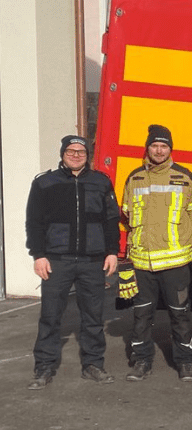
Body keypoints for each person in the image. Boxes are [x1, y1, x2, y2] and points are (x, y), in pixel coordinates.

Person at [25, 135, 120, 389]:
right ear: (62, 153)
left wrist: (112, 251)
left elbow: (111, 219)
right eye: (71, 150)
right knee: (50, 316)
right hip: (57, 260)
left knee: (93, 316)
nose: (76, 155)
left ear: (88, 155)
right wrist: (38, 255)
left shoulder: (101, 182)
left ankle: (93, 365)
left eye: (81, 151)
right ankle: (44, 368)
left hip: (92, 261)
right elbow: (34, 222)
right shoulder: (45, 183)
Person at [122, 124, 192, 382]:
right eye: (155, 146)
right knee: (141, 315)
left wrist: (178, 239)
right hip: (141, 262)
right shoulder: (134, 178)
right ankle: (142, 361)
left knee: (180, 314)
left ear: (170, 149)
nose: (159, 150)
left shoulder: (186, 177)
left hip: (175, 262)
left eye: (164, 146)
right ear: (147, 148)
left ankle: (186, 361)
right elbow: (126, 215)